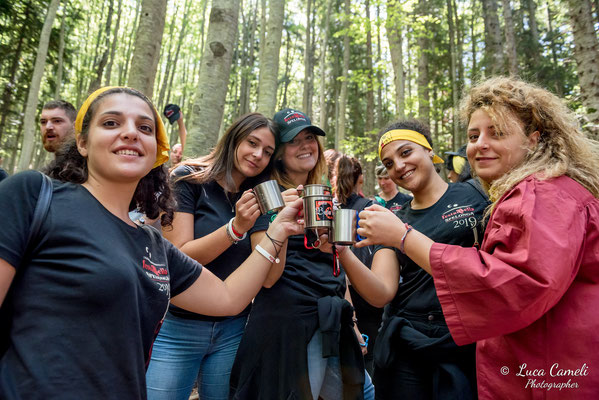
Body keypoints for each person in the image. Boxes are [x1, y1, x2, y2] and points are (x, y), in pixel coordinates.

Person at [0, 87, 305, 399]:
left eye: (144, 128)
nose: (131, 133)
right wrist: (235, 228)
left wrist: (278, 229)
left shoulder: (153, 246)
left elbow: (228, 298)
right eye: (111, 123)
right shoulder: (34, 195)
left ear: (155, 149)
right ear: (82, 142)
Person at [355, 77, 599, 398]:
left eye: (496, 132)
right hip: (439, 346)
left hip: (544, 366)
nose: (480, 144)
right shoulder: (522, 193)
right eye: (473, 135)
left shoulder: (539, 194)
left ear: (534, 140)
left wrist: (404, 238)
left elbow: (513, 285)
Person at [320, 120, 489, 399]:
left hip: (467, 339)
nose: (397, 166)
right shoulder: (394, 218)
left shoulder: (477, 194)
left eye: (406, 152)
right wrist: (343, 252)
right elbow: (381, 293)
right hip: (409, 344)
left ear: (428, 149)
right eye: (388, 163)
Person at [230, 108, 373, 400]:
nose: (306, 145)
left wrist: (353, 322)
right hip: (291, 325)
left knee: (365, 392)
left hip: (333, 321)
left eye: (310, 137)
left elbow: (334, 265)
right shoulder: (267, 194)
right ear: (279, 153)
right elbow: (269, 279)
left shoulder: (320, 194)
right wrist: (281, 220)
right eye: (295, 140)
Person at [145, 113, 277, 400]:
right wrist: (236, 227)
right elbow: (178, 257)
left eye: (268, 152)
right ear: (233, 140)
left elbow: (266, 270)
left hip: (233, 328)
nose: (258, 155)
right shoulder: (188, 177)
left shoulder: (260, 194)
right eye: (252, 143)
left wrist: (281, 225)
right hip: (178, 324)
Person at [334, 155, 382, 378]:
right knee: (368, 354)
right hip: (363, 288)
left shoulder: (328, 208)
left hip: (337, 287)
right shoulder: (369, 207)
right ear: (360, 178)